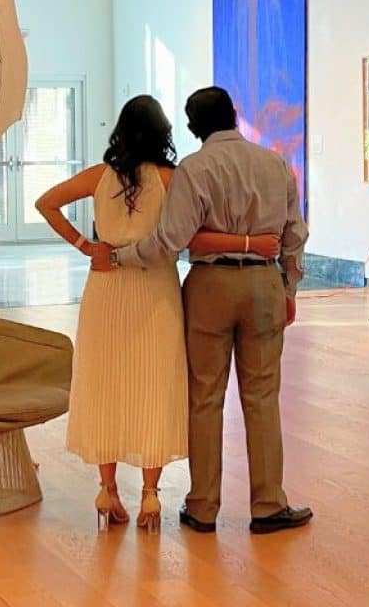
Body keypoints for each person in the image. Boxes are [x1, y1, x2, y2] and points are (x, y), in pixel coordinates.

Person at [36, 95, 280, 533]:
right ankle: (150, 493)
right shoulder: (171, 178)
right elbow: (188, 236)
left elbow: (46, 202)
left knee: (105, 383)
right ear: (163, 134)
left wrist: (86, 246)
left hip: (106, 287)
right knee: (155, 384)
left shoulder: (98, 176)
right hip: (156, 290)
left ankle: (107, 489)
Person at [91, 86, 313, 535]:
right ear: (235, 112)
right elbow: (295, 234)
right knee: (262, 398)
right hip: (264, 283)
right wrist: (288, 287)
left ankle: (202, 507)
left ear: (193, 129)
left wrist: (117, 257)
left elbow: (169, 241)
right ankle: (268, 505)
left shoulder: (194, 169)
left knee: (205, 397)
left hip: (209, 286)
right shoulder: (275, 165)